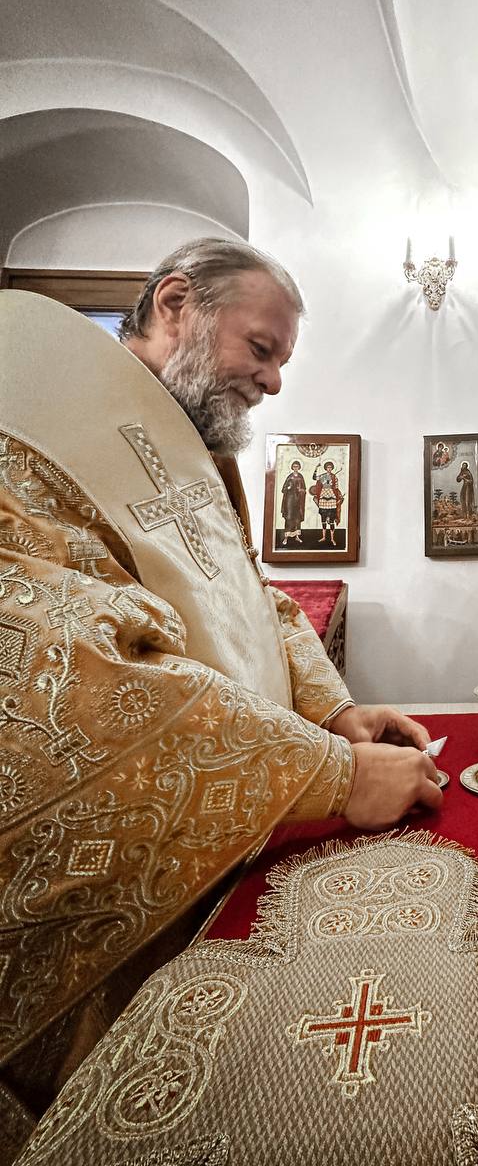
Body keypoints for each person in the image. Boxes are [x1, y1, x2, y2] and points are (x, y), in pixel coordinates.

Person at [0, 238, 441, 1149]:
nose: (274, 381)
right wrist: (332, 774)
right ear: (175, 304)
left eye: (281, 360)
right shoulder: (26, 422)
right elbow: (79, 677)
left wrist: (335, 712)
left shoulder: (198, 449)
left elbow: (247, 596)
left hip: (238, 838)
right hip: (129, 880)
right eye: (262, 348)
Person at [310, 459, 343, 544]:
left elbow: (336, 488)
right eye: (328, 467)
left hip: (332, 497)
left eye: (330, 467)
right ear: (325, 468)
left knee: (331, 520)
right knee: (323, 518)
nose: (329, 469)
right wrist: (316, 468)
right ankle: (324, 537)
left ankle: (332, 539)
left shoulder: (334, 477)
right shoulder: (322, 476)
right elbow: (314, 478)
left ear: (332, 468)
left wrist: (338, 496)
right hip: (323, 496)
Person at [280, 458, 306, 543]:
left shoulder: (300, 477)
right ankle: (286, 537)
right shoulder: (290, 477)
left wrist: (301, 490)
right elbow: (283, 489)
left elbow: (304, 489)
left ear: (299, 467)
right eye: (294, 466)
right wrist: (288, 488)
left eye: (297, 466)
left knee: (297, 517)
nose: (295, 468)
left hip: (298, 500)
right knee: (289, 517)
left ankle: (297, 536)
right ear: (292, 467)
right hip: (290, 499)